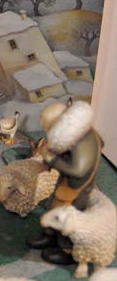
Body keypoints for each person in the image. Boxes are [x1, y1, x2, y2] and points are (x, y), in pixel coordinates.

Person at [29, 100, 102, 264]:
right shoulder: (71, 135)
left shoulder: (83, 142)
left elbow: (78, 170)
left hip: (78, 188)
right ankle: (50, 235)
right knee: (52, 205)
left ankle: (67, 250)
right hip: (65, 181)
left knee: (68, 216)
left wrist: (52, 159)